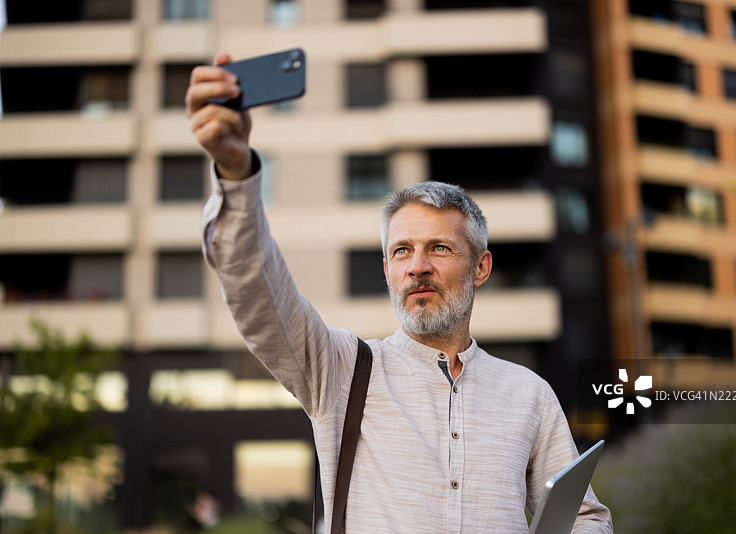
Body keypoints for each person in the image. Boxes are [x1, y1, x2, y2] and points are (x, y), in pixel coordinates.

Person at [187, 53, 613, 533]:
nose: (418, 267)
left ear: (481, 267)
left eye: (439, 248)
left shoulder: (530, 396)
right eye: (402, 251)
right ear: (387, 269)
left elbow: (584, 518)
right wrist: (236, 173)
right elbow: (257, 293)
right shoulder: (340, 370)